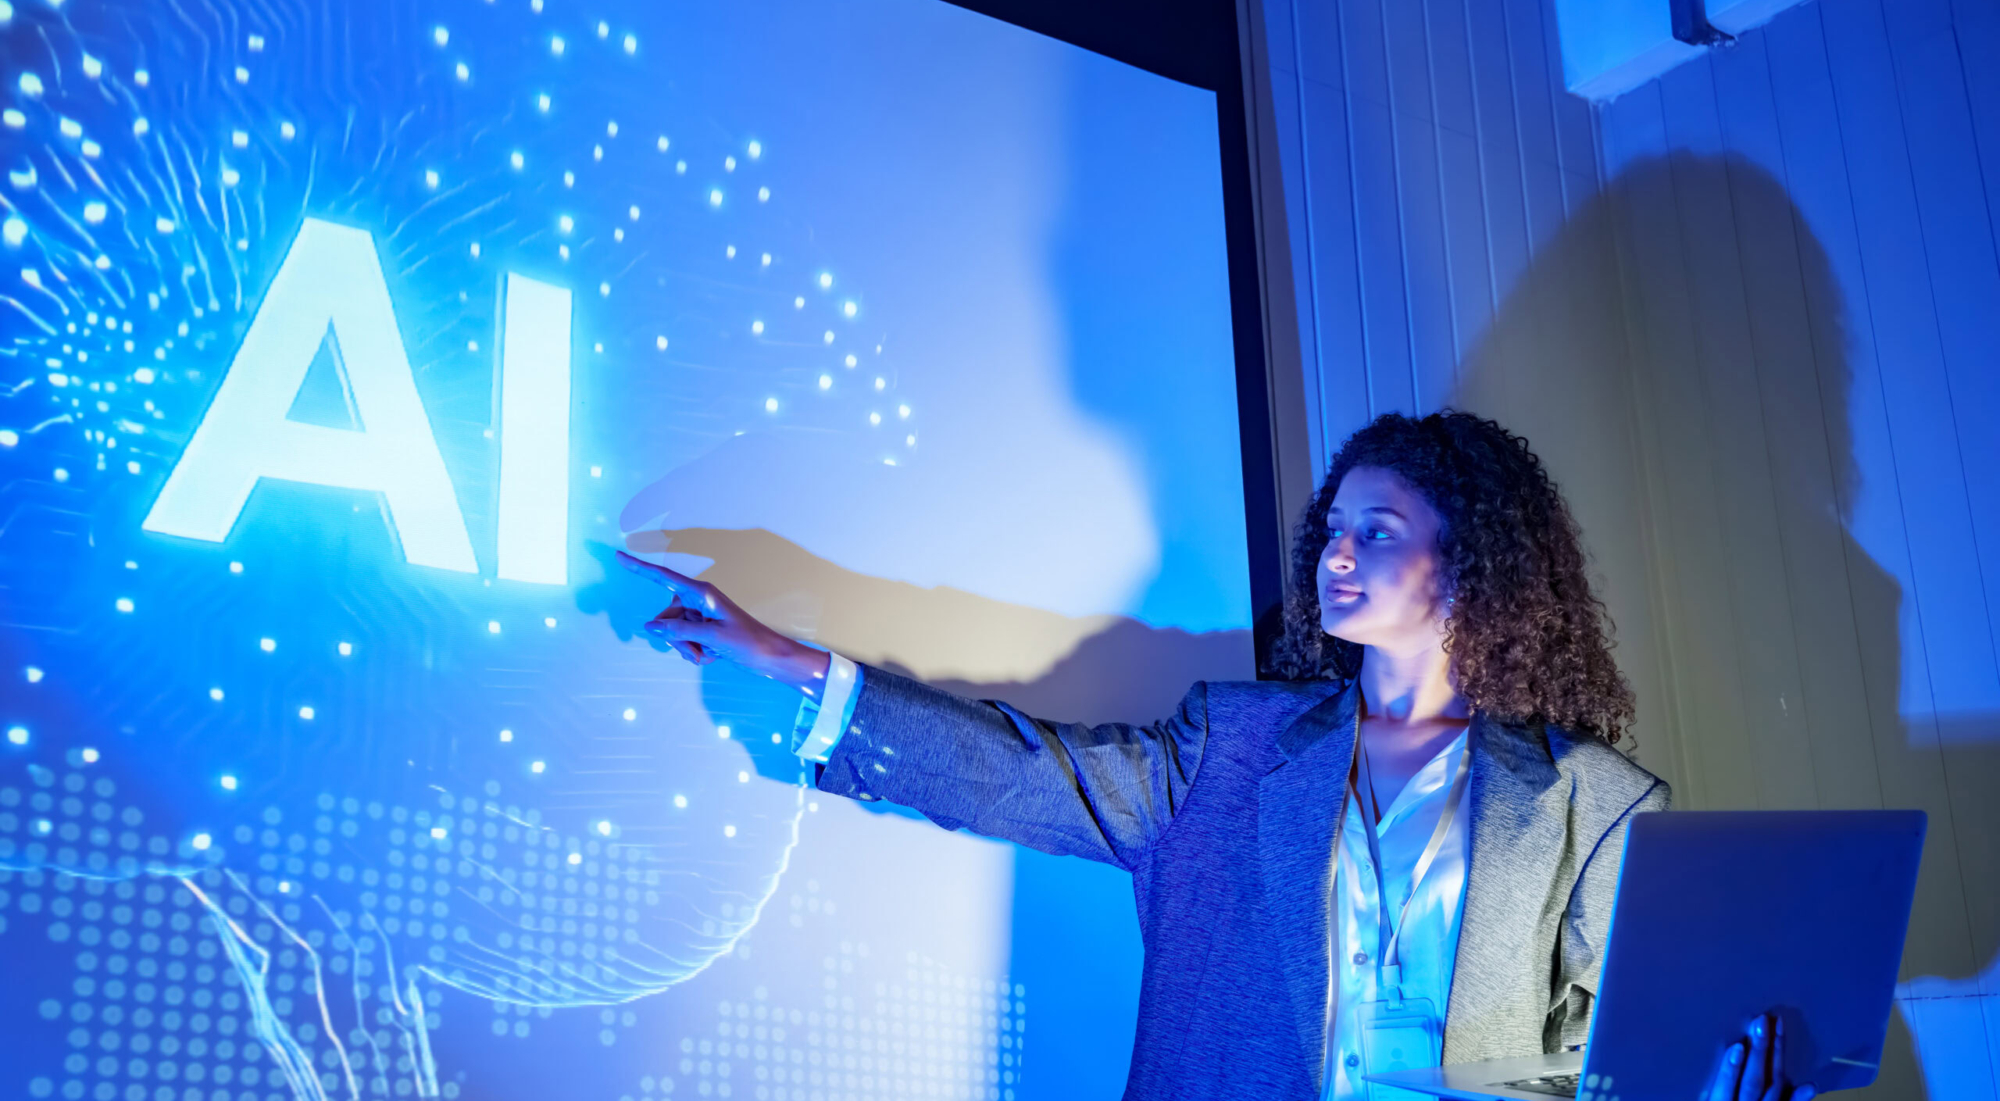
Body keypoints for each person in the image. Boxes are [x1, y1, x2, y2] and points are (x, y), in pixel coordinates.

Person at [617, 411, 1809, 1101]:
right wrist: (793, 665)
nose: (1335, 553)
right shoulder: (1232, 747)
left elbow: (1627, 1054)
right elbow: (1024, 773)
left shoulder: (1591, 802)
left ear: (1466, 563)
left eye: (1375, 531)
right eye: (1332, 530)